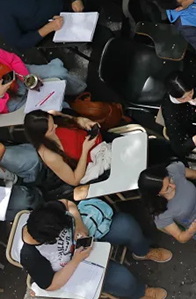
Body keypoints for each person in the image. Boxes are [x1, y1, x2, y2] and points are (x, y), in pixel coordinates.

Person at [20, 200, 170, 299]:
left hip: (86, 237)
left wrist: (78, 223)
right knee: (124, 280)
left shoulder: (45, 215)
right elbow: (50, 285)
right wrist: (77, 260)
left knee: (127, 226)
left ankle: (142, 251)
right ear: (47, 240)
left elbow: (68, 204)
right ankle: (141, 293)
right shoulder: (30, 257)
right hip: (75, 267)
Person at [24, 110, 102, 200]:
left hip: (99, 141)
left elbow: (71, 119)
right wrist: (85, 150)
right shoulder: (49, 155)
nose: (56, 126)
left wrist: (81, 121)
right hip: (95, 160)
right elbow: (74, 180)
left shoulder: (52, 119)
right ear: (42, 135)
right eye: (51, 129)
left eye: (53, 122)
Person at [0, 48, 87, 114]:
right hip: (11, 102)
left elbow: (12, 59)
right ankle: (73, 113)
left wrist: (26, 77)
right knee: (53, 108)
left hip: (19, 75)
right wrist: (1, 95)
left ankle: (79, 90)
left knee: (60, 73)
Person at [0, 141, 45, 212]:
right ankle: (43, 203)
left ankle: (50, 171)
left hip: (8, 170)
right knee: (24, 204)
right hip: (4, 196)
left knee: (32, 159)